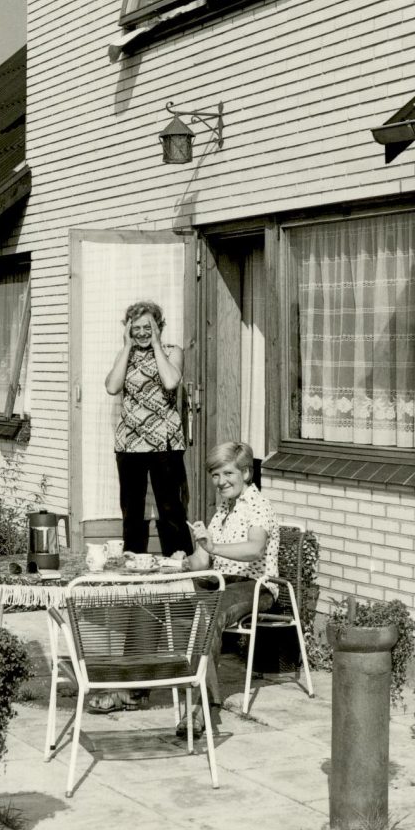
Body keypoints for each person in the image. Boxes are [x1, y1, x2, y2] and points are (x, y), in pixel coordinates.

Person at [178, 441, 279, 738]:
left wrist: (214, 548)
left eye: (227, 474)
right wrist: (182, 562)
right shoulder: (222, 508)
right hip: (219, 581)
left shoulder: (258, 505)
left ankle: (202, 706)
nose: (220, 481)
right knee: (159, 596)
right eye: (215, 475)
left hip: (253, 585)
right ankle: (131, 690)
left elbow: (254, 549)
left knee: (208, 613)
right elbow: (202, 561)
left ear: (245, 473)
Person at [106, 300, 193, 558]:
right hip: (130, 442)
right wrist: (126, 347)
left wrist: (156, 345)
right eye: (137, 328)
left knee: (170, 508)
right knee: (132, 509)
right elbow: (112, 387)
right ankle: (133, 564)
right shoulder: (124, 355)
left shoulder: (172, 352)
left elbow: (170, 381)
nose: (142, 333)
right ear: (128, 329)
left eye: (149, 327)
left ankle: (180, 564)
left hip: (165, 442)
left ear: (159, 327)